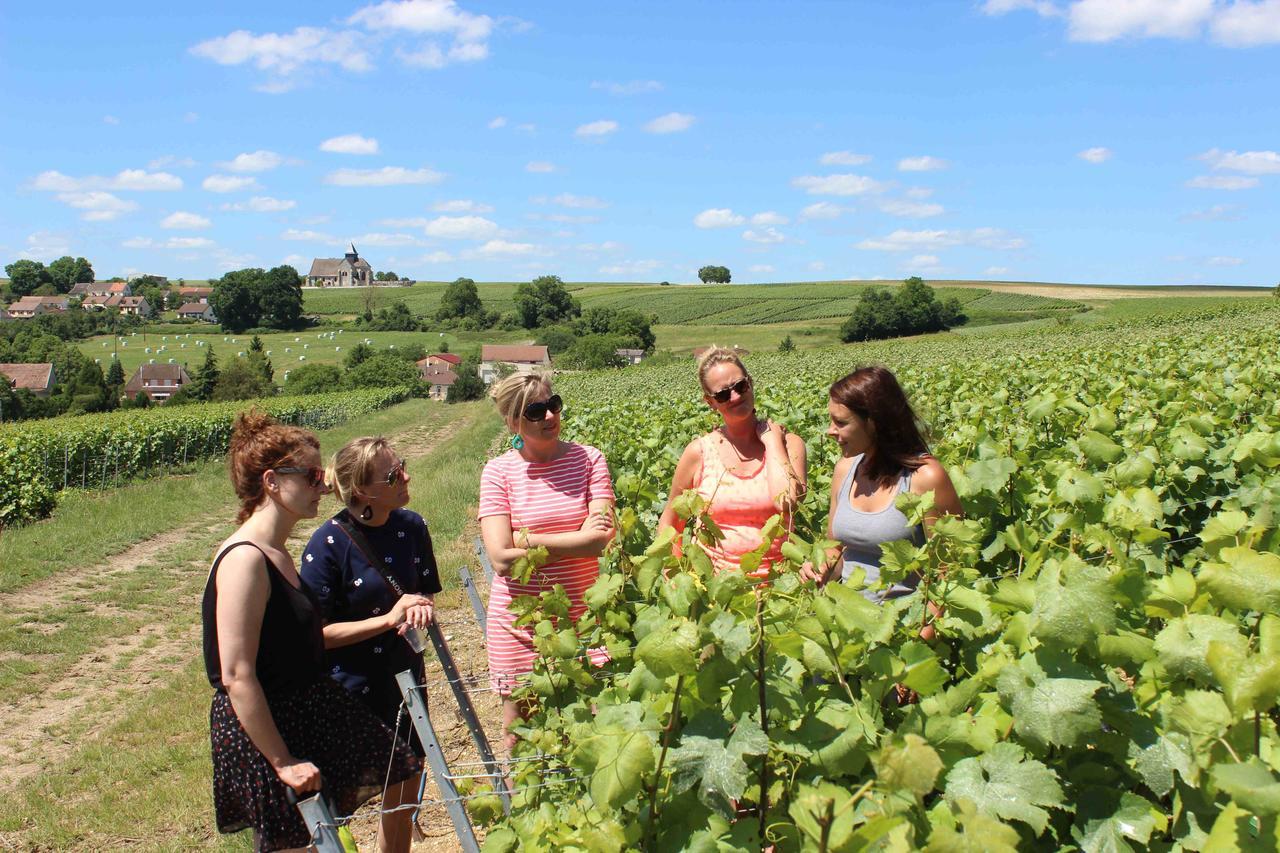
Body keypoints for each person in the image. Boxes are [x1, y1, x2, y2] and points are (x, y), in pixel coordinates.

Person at [203, 411, 419, 853]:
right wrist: (282, 762)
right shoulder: (245, 559)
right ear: (272, 481)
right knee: (296, 844)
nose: (324, 486)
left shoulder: (276, 552)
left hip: (303, 710)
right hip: (266, 728)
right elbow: (237, 674)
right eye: (312, 475)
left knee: (401, 764)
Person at [299, 437, 438, 853]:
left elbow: (424, 593)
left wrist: (419, 610)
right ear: (362, 492)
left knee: (406, 786)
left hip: (405, 681)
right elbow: (314, 635)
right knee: (334, 799)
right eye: (394, 475)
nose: (406, 477)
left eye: (403, 465)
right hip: (348, 690)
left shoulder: (411, 527)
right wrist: (388, 619)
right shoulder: (328, 545)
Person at [478, 373, 615, 749]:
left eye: (553, 404)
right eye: (536, 411)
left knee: (592, 728)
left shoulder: (589, 460)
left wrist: (526, 538)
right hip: (520, 624)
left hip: (583, 620)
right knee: (519, 734)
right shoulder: (498, 473)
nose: (550, 416)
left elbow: (600, 540)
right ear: (513, 422)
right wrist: (577, 540)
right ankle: (521, 805)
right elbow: (501, 559)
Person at [817, 365, 963, 617]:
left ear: (874, 423)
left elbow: (950, 573)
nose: (831, 431)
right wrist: (821, 567)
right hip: (844, 623)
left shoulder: (925, 477)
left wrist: (919, 635)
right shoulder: (844, 470)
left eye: (841, 422)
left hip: (903, 627)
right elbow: (838, 550)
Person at [657, 347, 807, 574]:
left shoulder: (789, 445)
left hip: (782, 590)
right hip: (715, 593)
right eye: (723, 395)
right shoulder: (699, 453)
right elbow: (670, 522)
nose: (735, 396)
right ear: (710, 402)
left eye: (740, 386)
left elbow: (788, 501)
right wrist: (675, 576)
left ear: (751, 383)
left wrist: (772, 442)